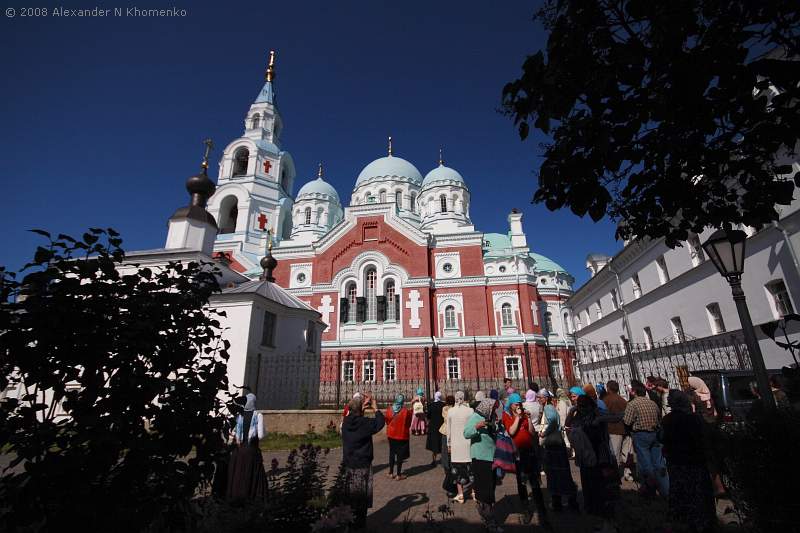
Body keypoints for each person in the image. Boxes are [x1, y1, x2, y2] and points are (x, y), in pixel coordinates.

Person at [660, 390, 716, 533]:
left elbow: (661, 438)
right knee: (698, 492)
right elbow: (704, 439)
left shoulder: (667, 420)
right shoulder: (694, 419)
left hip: (677, 461)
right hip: (695, 460)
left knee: (681, 491)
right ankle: (702, 521)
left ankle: (683, 520)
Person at [502, 393, 550, 527]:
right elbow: (511, 431)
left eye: (519, 404)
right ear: (511, 405)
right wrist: (517, 417)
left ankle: (542, 512)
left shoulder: (524, 415)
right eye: (516, 404)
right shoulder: (507, 416)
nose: (518, 406)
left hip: (528, 451)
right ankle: (526, 510)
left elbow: (532, 432)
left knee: (534, 482)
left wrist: (528, 419)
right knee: (522, 482)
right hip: (517, 453)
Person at [569, 395, 620, 519]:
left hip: (596, 454)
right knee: (591, 482)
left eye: (582, 405)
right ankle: (594, 507)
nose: (581, 408)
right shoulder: (581, 418)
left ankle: (599, 508)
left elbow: (616, 417)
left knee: (596, 483)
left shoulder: (595, 417)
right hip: (590, 455)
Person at [339, 393, 386, 530]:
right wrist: (375, 408)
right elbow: (379, 423)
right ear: (360, 410)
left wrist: (361, 409)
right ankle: (359, 526)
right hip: (363, 465)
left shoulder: (346, 423)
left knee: (350, 498)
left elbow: (354, 418)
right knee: (361, 500)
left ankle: (350, 523)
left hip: (349, 465)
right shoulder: (364, 424)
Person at [624, 381, 669, 497]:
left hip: (641, 435)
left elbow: (627, 421)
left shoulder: (632, 404)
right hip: (655, 433)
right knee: (659, 462)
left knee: (646, 464)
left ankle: (650, 489)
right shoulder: (652, 403)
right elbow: (659, 417)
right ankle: (665, 489)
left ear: (634, 392)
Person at [464, 398, 502, 533]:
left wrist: (497, 425)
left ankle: (487, 513)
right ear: (486, 407)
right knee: (485, 489)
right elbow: (466, 433)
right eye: (492, 408)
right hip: (480, 457)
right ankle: (489, 520)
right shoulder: (475, 417)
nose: (494, 411)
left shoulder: (490, 417)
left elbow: (496, 431)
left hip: (491, 456)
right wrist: (477, 427)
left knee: (490, 487)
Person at [687, 376, 725, 497]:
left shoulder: (694, 396)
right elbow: (715, 413)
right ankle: (722, 486)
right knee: (715, 458)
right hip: (713, 427)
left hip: (702, 428)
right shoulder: (709, 394)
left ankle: (713, 487)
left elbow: (692, 413)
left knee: (705, 459)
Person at [227, 391, 268, 502]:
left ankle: (236, 498)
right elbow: (260, 435)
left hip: (239, 450)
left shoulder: (239, 415)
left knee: (238, 474)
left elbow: (233, 434)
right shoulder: (258, 415)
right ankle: (252, 497)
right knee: (251, 473)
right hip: (251, 449)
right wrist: (265, 431)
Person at [539, 403, 579, 512]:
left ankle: (558, 501)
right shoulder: (557, 428)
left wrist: (544, 433)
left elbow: (551, 422)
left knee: (554, 475)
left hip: (553, 450)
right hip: (558, 450)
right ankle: (568, 500)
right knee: (563, 475)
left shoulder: (551, 422)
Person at [447, 391, 475, 503]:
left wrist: (448, 444)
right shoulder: (470, 411)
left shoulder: (450, 411)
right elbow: (473, 427)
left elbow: (448, 430)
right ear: (464, 398)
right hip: (468, 443)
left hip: (456, 444)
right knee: (471, 470)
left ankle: (460, 494)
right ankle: (474, 492)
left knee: (456, 470)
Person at [603, 380, 631, 481]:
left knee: (614, 454)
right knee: (625, 453)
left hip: (613, 430)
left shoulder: (606, 400)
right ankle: (627, 473)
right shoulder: (623, 400)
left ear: (608, 389)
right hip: (624, 429)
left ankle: (615, 476)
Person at [384, 394, 412, 480]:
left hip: (391, 434)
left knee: (392, 453)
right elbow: (408, 423)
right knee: (400, 455)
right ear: (403, 401)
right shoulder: (406, 411)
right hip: (401, 435)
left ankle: (391, 472)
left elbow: (387, 421)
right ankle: (399, 474)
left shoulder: (389, 409)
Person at [439, 395, 457, 497]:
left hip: (446, 433)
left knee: (446, 457)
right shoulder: (455, 410)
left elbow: (446, 416)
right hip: (454, 433)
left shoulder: (445, 409)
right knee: (452, 458)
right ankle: (453, 481)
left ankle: (449, 480)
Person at [426, 391, 445, 466]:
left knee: (434, 444)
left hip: (433, 426)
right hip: (441, 425)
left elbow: (428, 416)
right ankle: (444, 459)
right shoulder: (443, 405)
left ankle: (434, 460)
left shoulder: (431, 405)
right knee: (442, 443)